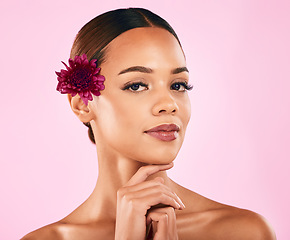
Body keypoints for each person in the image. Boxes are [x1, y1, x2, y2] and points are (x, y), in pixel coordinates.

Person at [21, 7, 276, 240]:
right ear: (82, 104)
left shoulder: (244, 232)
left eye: (178, 85)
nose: (169, 104)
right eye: (137, 85)